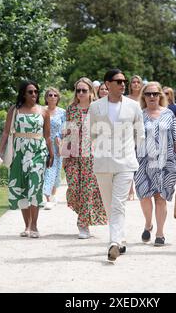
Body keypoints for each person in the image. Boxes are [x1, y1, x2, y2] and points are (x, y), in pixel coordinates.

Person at [89, 68, 145, 261]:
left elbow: (141, 133)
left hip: (126, 162)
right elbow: (91, 133)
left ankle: (113, 242)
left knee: (118, 203)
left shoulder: (133, 106)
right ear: (107, 84)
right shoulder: (95, 107)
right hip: (103, 161)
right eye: (118, 81)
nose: (123, 84)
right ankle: (120, 239)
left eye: (124, 81)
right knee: (109, 205)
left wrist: (141, 155)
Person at [0, 80, 54, 239]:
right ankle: (27, 225)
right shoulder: (14, 110)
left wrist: (52, 154)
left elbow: (47, 135)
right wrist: (0, 150)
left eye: (36, 91)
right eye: (30, 92)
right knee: (22, 187)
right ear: (23, 93)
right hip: (19, 153)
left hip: (38, 151)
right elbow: (5, 132)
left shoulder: (43, 111)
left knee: (35, 186)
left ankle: (35, 225)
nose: (34, 94)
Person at [134, 82, 176, 246]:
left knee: (161, 197)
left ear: (160, 96)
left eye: (155, 94)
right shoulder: (139, 115)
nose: (151, 97)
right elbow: (131, 140)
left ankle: (160, 233)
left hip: (167, 163)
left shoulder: (169, 114)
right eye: (148, 94)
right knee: (144, 196)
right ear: (144, 96)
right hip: (143, 162)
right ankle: (148, 224)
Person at [63, 77, 107, 239]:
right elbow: (68, 132)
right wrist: (65, 155)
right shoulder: (71, 109)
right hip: (74, 153)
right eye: (78, 90)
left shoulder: (98, 109)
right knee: (74, 187)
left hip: (92, 154)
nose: (81, 93)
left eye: (84, 90)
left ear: (90, 92)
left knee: (88, 189)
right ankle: (83, 217)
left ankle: (83, 224)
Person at [42, 87, 66, 210]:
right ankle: (47, 198)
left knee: (55, 172)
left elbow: (65, 128)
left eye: (55, 95)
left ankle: (53, 195)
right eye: (50, 95)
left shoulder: (62, 112)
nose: (52, 97)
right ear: (46, 98)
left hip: (57, 145)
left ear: (58, 98)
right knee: (48, 170)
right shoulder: (41, 110)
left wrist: (60, 138)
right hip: (43, 144)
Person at [126, 75, 143, 200]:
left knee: (142, 160)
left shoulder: (145, 98)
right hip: (129, 132)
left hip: (143, 132)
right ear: (130, 85)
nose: (136, 84)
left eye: (138, 82)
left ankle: (141, 187)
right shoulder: (126, 99)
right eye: (133, 82)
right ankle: (130, 189)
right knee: (129, 161)